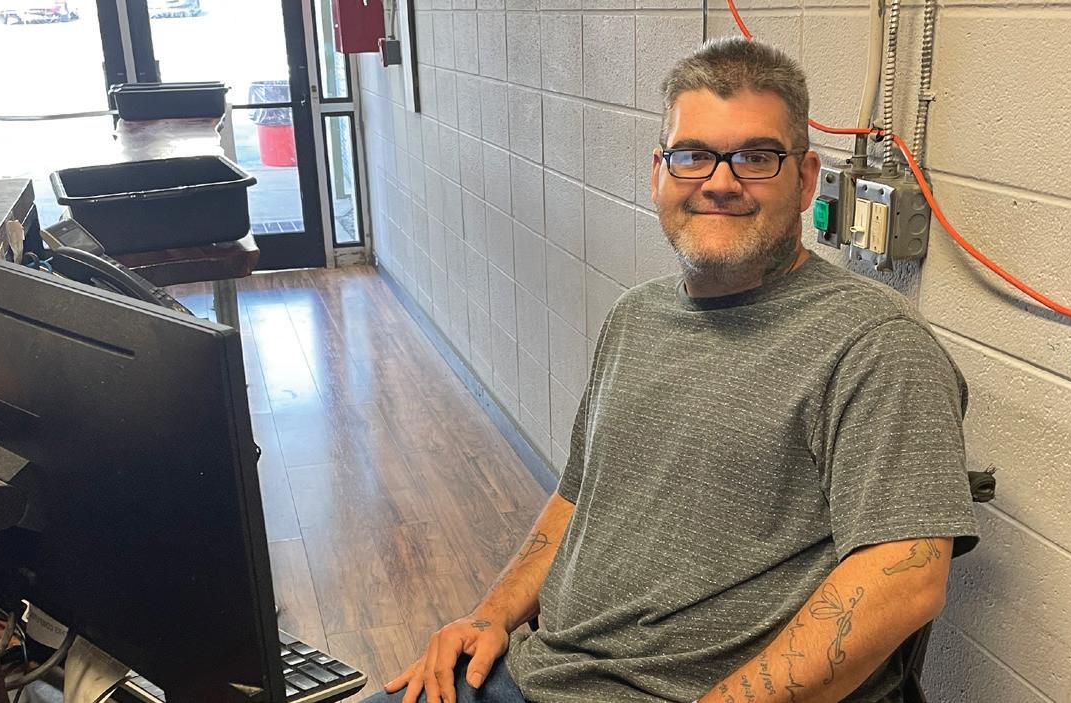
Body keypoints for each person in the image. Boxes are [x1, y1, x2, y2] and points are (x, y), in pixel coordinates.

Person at [365, 37, 979, 703]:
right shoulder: (635, 317)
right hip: (545, 671)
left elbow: (906, 580)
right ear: (659, 173)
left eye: (756, 157)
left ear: (805, 180)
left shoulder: (875, 346)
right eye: (693, 155)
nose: (720, 182)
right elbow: (578, 495)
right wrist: (490, 613)